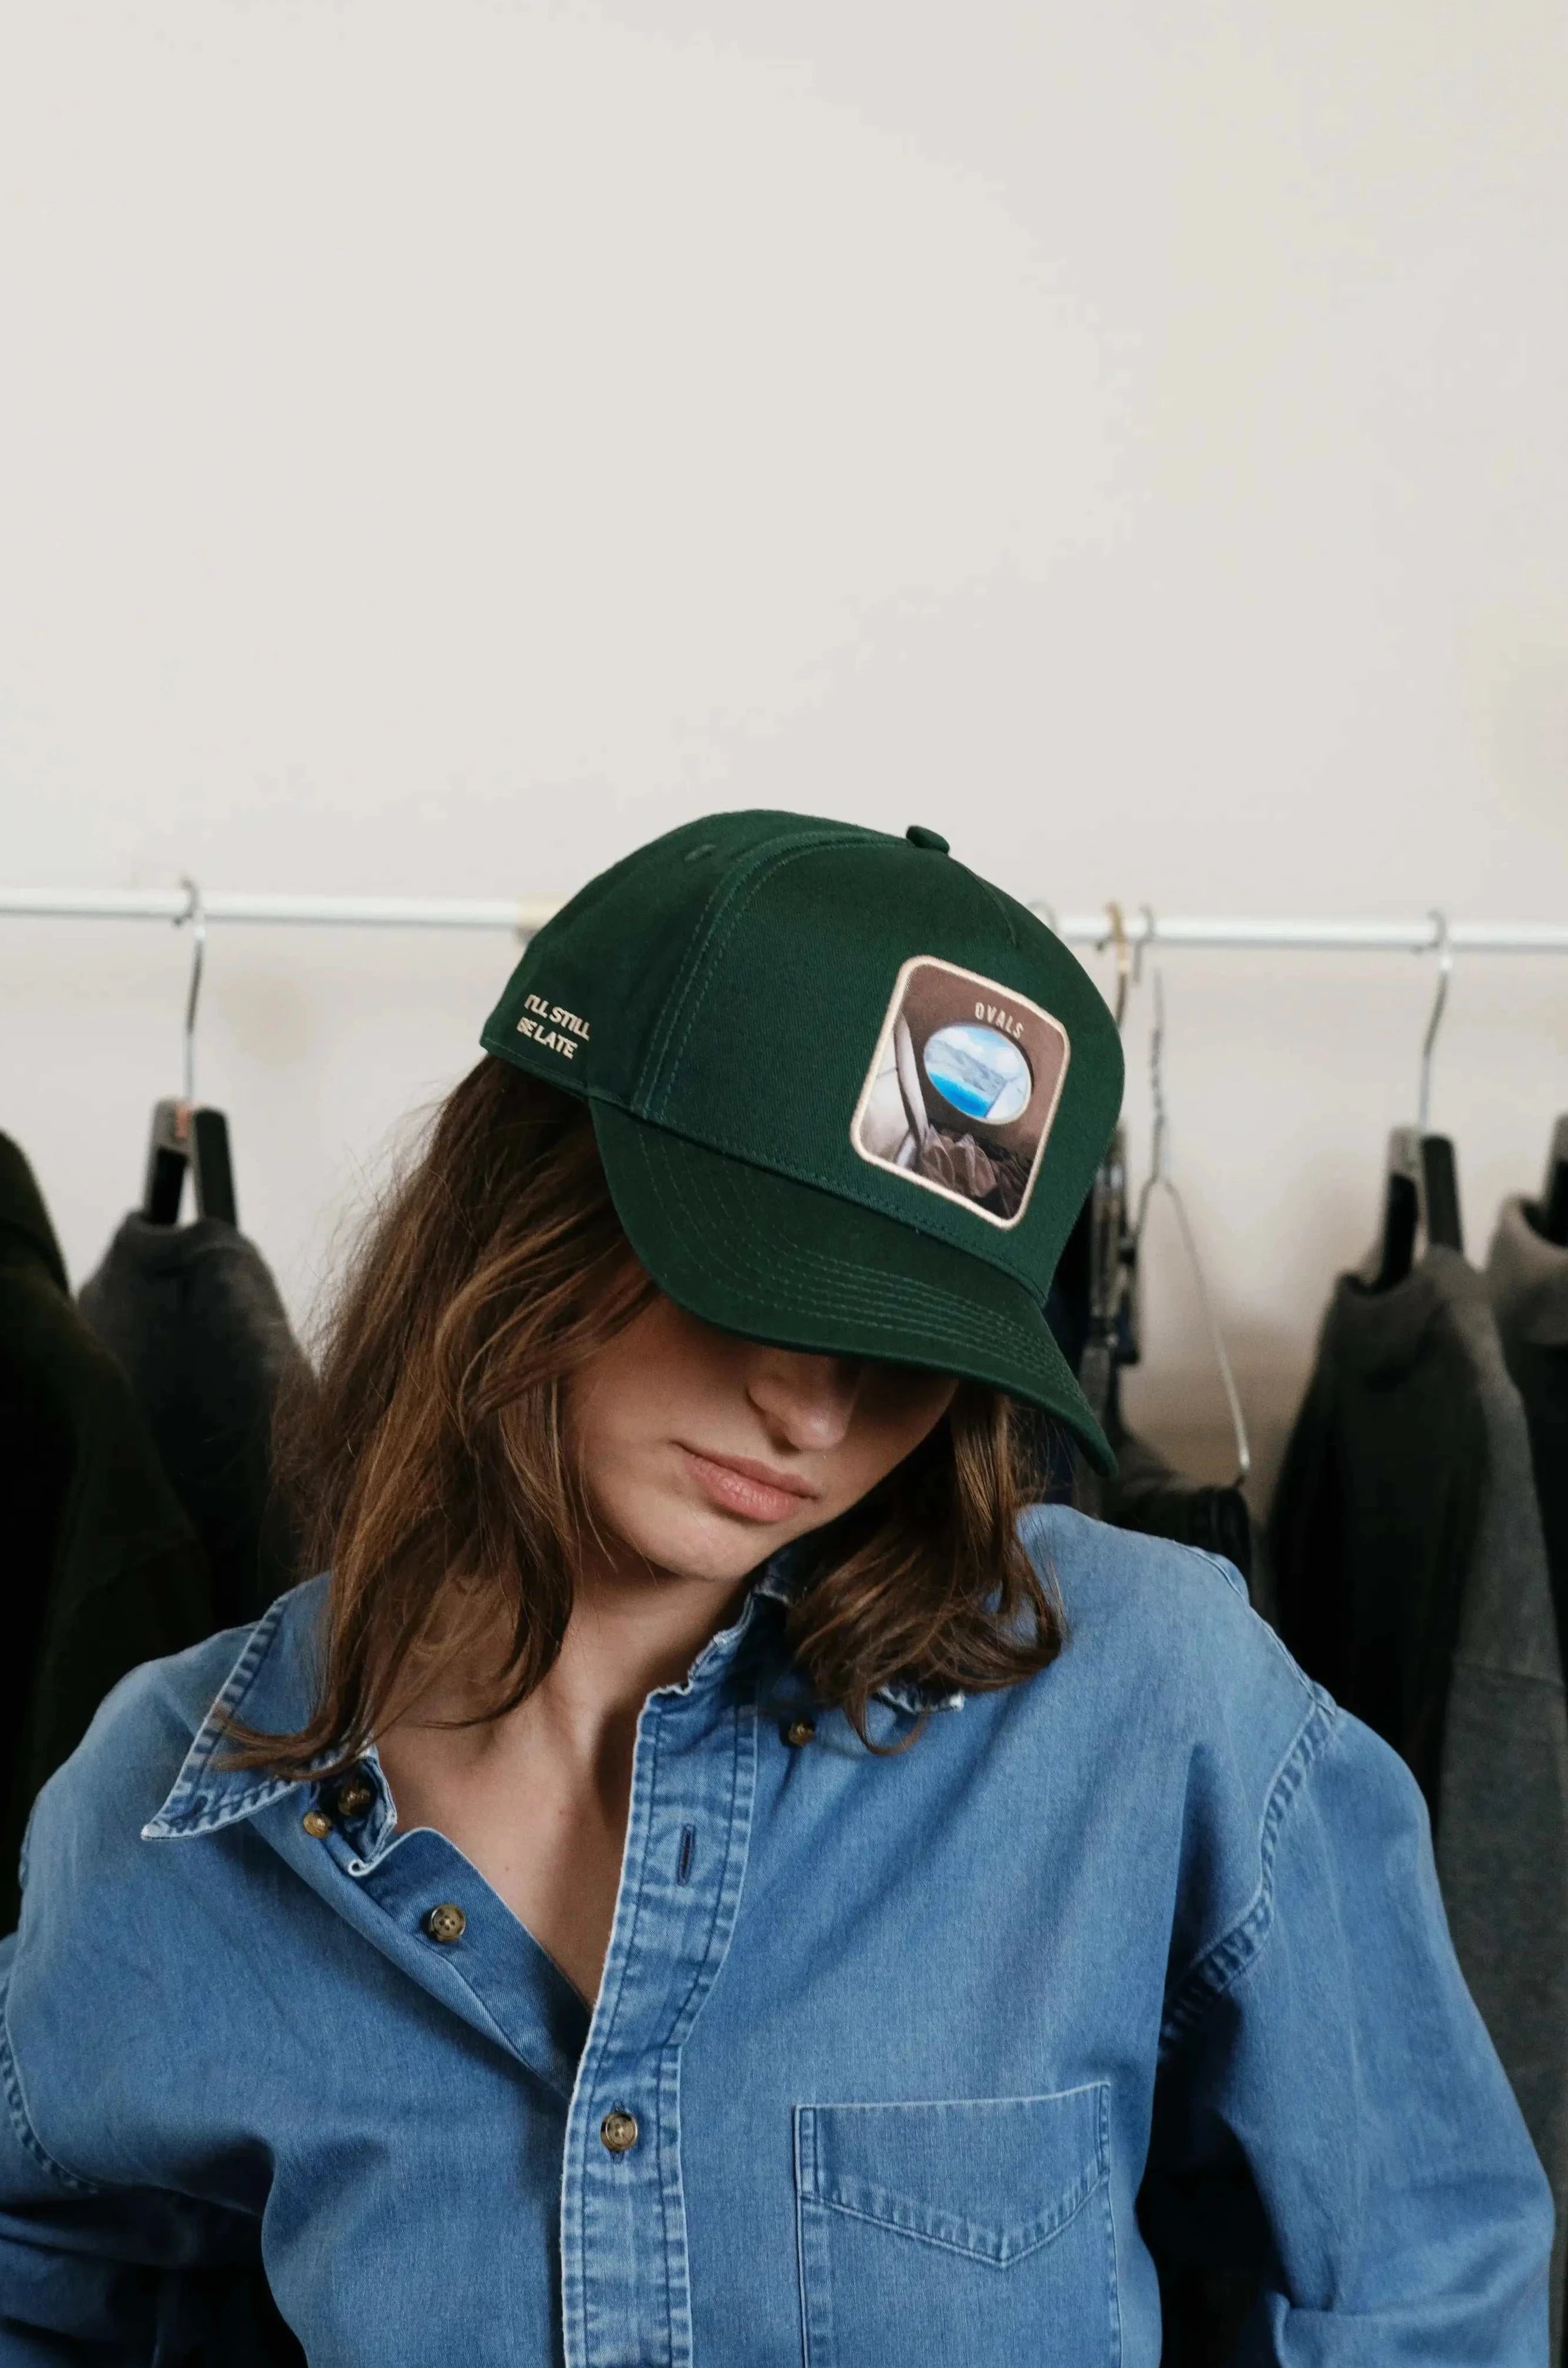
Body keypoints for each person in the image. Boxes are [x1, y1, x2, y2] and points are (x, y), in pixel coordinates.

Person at [0, 809, 1552, 2367]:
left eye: (914, 1347)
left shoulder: (1147, 1705)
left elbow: (1423, 2287)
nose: (817, 1415)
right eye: (755, 1282)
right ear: (531, 1194)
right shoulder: (170, 1808)